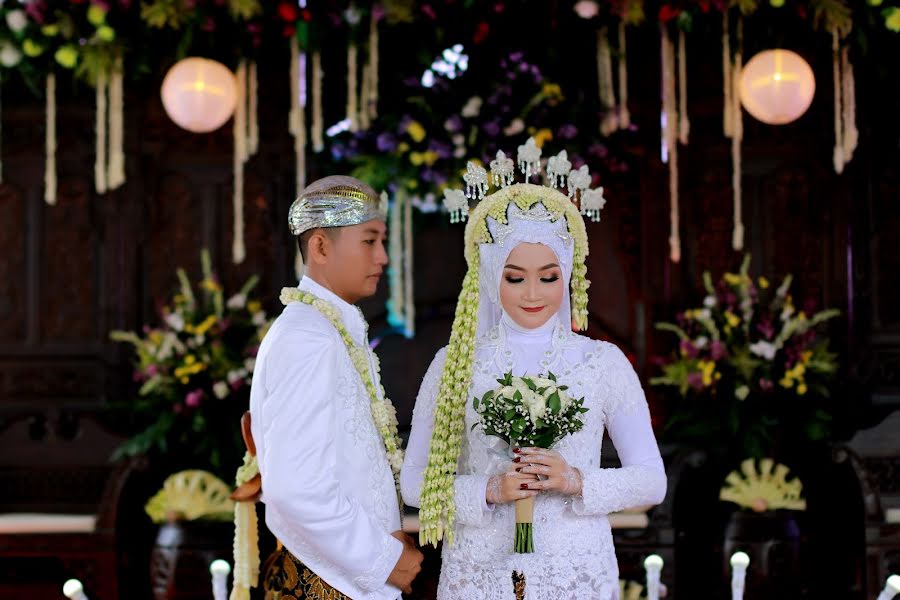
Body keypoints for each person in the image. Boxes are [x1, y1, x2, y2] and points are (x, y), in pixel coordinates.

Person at [400, 148, 667, 599]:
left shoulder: (601, 362)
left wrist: (575, 480)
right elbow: (413, 484)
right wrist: (489, 489)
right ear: (489, 276)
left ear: (566, 275)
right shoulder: (454, 362)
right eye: (514, 276)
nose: (532, 294)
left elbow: (651, 480)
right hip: (479, 571)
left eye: (547, 277)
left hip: (576, 571)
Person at [250, 175, 423, 600]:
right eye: (369, 240)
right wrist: (383, 558)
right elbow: (295, 488)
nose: (383, 257)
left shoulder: (329, 328)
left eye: (382, 240)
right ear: (321, 247)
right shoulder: (308, 340)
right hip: (329, 583)